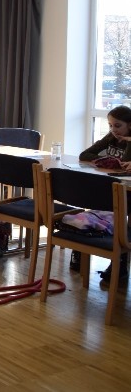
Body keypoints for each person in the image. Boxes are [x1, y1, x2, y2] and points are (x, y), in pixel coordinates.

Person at [76, 105, 131, 284]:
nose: (113, 130)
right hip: (113, 187)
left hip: (127, 192)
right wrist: (104, 160)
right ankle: (81, 251)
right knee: (91, 203)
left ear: (130, 125)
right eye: (110, 125)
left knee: (123, 219)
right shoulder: (111, 137)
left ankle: (120, 263)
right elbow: (84, 154)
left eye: (118, 125)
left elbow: (125, 163)